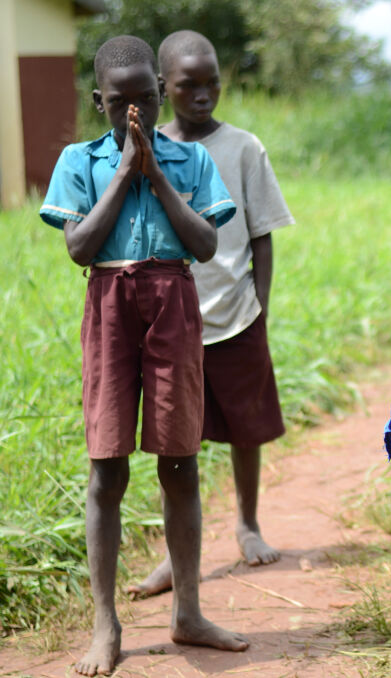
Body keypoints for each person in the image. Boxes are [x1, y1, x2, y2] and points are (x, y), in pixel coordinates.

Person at [38, 35, 248, 676]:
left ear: (160, 94)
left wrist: (155, 172)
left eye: (146, 99)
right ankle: (107, 623)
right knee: (107, 468)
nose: (135, 113)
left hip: (173, 300)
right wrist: (127, 169)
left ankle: (188, 612)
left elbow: (206, 245)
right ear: (99, 100)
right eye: (119, 101)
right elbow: (79, 248)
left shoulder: (189, 160)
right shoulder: (80, 160)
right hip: (108, 301)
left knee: (179, 462)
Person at [127, 29, 294, 600]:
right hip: (171, 320)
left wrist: (262, 304)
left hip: (236, 314)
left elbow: (262, 235)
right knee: (178, 439)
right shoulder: (149, 150)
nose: (202, 95)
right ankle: (179, 556)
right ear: (160, 87)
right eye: (187, 85)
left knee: (247, 427)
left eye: (212, 84)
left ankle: (247, 523)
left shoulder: (244, 148)